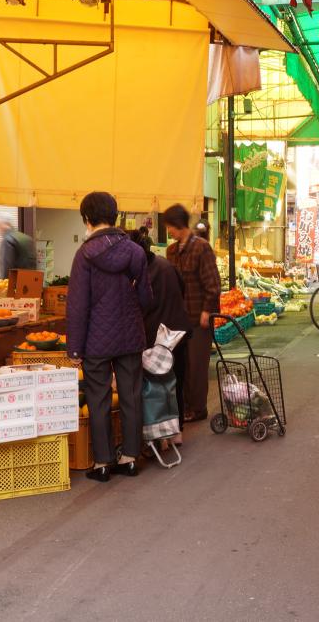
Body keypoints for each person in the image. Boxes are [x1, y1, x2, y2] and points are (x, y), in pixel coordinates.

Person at [66, 192, 152, 482]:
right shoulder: (136, 252)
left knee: (99, 398)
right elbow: (146, 298)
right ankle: (130, 458)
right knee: (130, 395)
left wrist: (74, 347)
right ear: (114, 217)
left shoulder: (84, 256)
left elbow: (77, 305)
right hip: (129, 336)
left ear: (87, 219)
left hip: (96, 341)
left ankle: (102, 462)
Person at [130, 230, 191, 441]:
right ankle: (177, 431)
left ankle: (161, 436)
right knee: (176, 382)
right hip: (179, 332)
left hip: (157, 336)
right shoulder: (166, 265)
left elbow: (139, 306)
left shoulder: (140, 274)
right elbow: (182, 290)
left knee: (157, 387)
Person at [164, 204, 221, 423]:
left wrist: (207, 310)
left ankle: (198, 409)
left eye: (170, 226)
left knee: (197, 365)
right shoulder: (171, 251)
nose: (169, 231)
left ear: (178, 225)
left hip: (199, 317)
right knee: (181, 365)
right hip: (178, 317)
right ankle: (184, 406)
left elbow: (213, 284)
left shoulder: (201, 248)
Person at [0, 214, 37, 280]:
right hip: (30, 282)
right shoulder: (26, 238)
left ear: (3, 225)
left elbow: (7, 267)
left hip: (15, 285)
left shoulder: (8, 240)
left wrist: (3, 284)